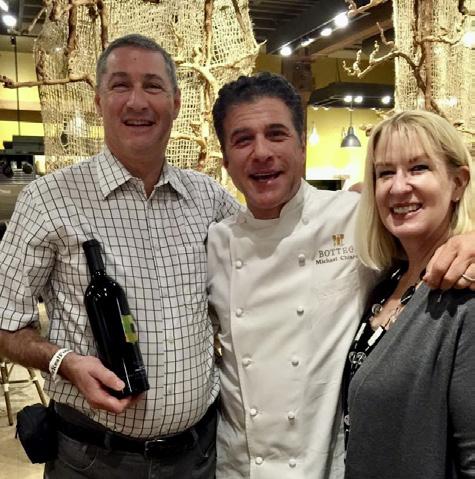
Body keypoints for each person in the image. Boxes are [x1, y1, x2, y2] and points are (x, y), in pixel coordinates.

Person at [208, 72, 475, 479]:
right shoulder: (214, 243)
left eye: (277, 134)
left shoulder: (355, 218)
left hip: (329, 467)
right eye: (243, 140)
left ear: (302, 145)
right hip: (240, 468)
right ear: (225, 160)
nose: (261, 152)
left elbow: (434, 218)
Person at [0, 34, 238, 479]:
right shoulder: (47, 200)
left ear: (176, 102)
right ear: (98, 101)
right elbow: (4, 323)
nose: (137, 101)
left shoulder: (209, 199)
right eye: (120, 85)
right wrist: (63, 363)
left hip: (197, 458)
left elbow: (268, 256)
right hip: (93, 460)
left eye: (152, 86)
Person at [343, 110, 475, 478]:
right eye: (385, 173)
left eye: (418, 168)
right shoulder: (388, 282)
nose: (399, 187)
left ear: (458, 183)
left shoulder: (464, 293)